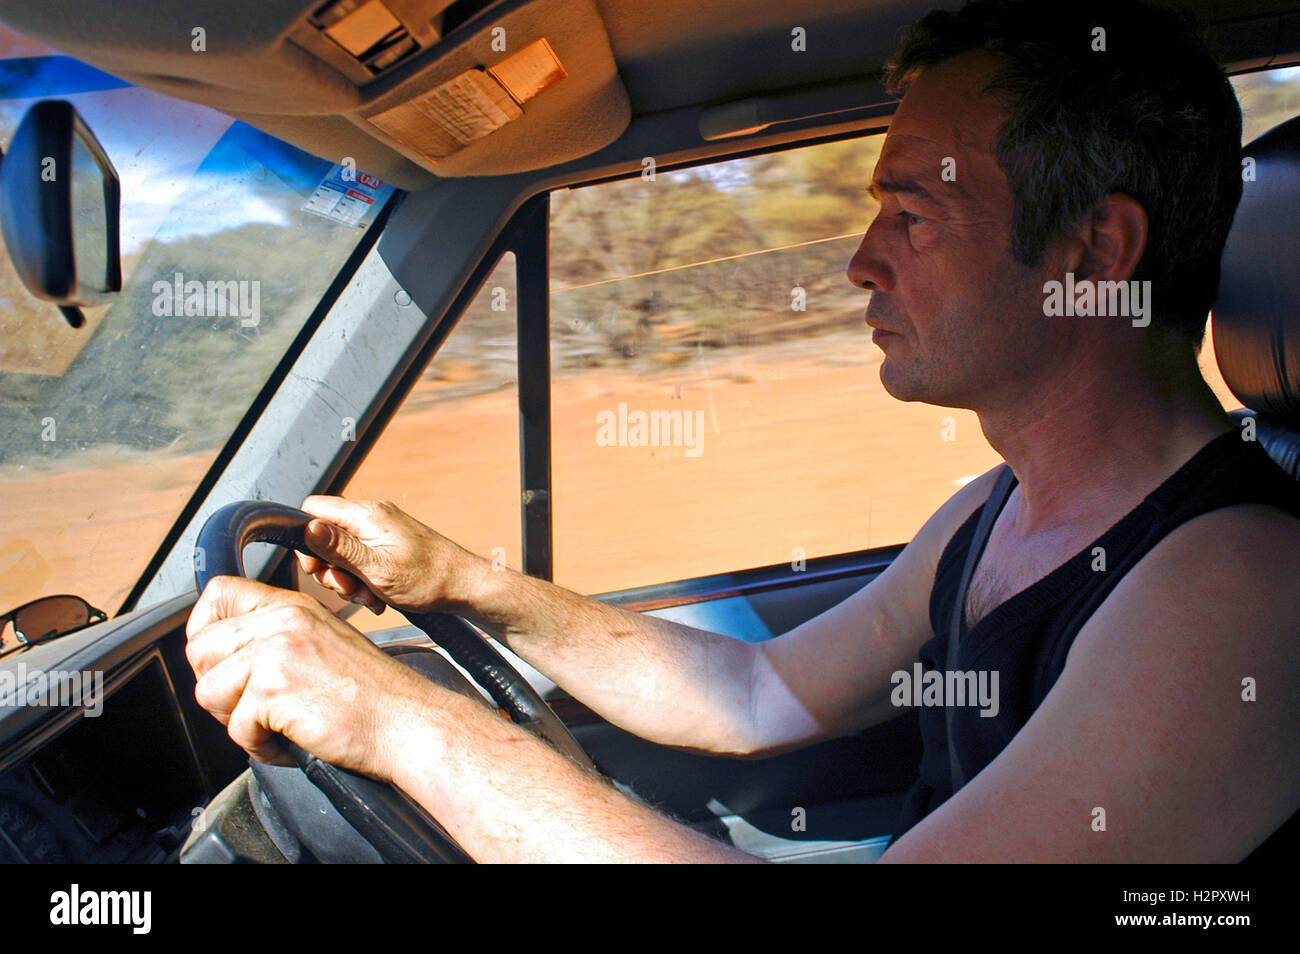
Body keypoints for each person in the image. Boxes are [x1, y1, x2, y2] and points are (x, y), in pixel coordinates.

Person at [184, 0, 1300, 863]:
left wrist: (395, 720)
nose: (859, 260)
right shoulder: (995, 510)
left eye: (911, 215)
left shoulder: (1240, 589)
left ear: (1093, 255)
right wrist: (457, 581)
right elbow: (757, 695)